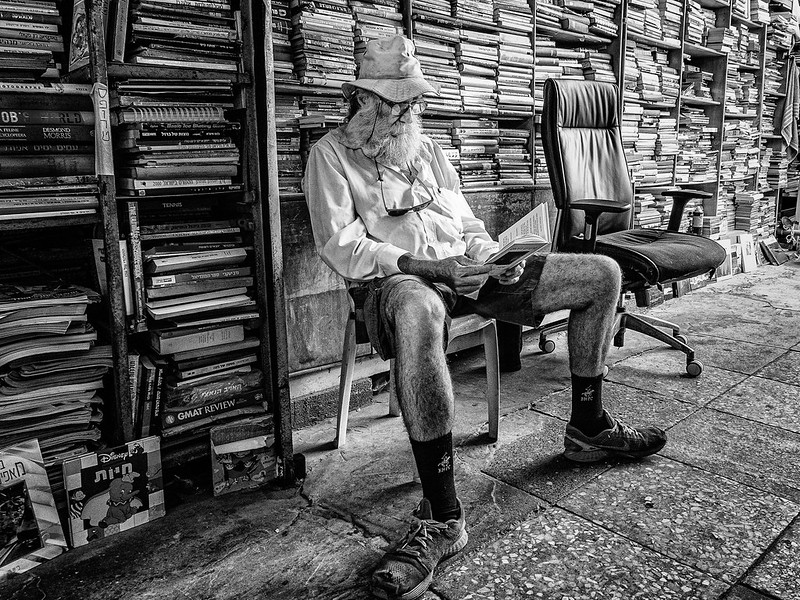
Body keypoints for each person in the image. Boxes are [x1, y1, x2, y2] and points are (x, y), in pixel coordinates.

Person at [303, 35, 667, 600]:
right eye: (392, 103)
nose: (406, 113)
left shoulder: (425, 150)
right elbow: (343, 246)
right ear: (360, 99)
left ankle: (589, 428)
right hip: (397, 282)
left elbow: (466, 222)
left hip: (470, 275)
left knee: (602, 273)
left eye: (410, 103)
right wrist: (428, 266)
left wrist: (489, 256)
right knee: (421, 307)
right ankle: (444, 516)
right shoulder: (329, 155)